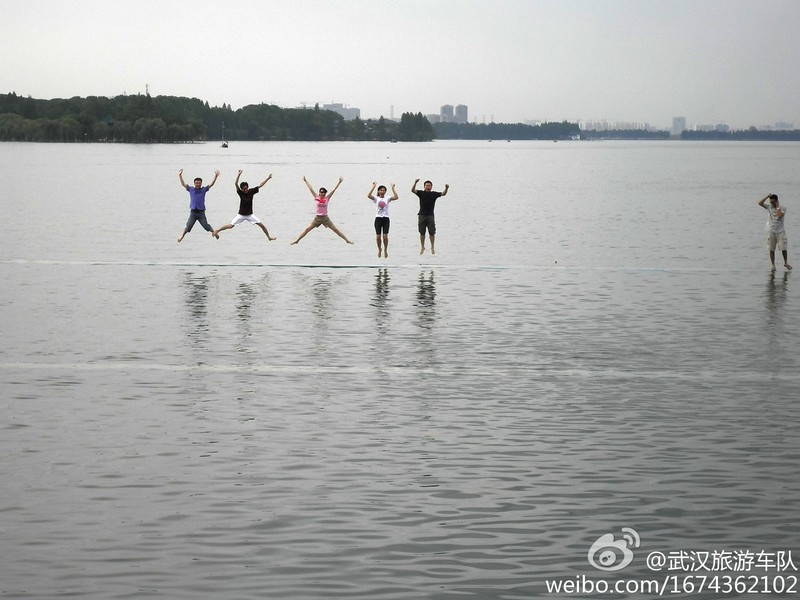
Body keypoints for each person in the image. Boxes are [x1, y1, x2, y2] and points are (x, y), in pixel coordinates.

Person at [213, 170, 276, 241]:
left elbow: (260, 185)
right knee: (231, 226)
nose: (245, 190)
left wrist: (268, 178)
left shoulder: (251, 191)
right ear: (242, 189)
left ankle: (269, 237)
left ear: (248, 187)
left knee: (262, 226)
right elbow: (236, 183)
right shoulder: (240, 193)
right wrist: (239, 174)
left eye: (246, 188)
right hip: (241, 214)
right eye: (243, 189)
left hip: (250, 215)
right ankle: (217, 231)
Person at [291, 176, 354, 245]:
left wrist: (339, 182)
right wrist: (305, 181)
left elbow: (334, 190)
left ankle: (347, 240)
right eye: (321, 192)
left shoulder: (327, 198)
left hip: (325, 218)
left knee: (336, 230)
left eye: (324, 193)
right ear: (319, 193)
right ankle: (297, 240)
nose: (323, 194)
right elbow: (310, 188)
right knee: (307, 229)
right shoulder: (316, 197)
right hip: (317, 218)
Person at [177, 169, 220, 242]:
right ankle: (182, 236)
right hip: (193, 212)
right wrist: (180, 175)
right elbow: (183, 184)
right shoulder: (191, 189)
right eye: (196, 183)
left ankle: (214, 232)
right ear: (194, 183)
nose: (198, 184)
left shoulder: (203, 190)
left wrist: (215, 176)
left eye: (199, 183)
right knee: (188, 226)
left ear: (201, 183)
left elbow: (211, 184)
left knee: (206, 226)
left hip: (201, 213)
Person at [411, 178, 449, 255]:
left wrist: (446, 188)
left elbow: (443, 194)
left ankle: (432, 247)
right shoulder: (421, 193)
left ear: (431, 187)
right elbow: (412, 190)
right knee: (422, 233)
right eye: (426, 185)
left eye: (429, 185)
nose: (428, 187)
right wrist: (415, 182)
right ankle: (422, 247)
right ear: (424, 186)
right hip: (422, 215)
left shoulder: (434, 194)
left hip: (430, 216)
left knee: (432, 233)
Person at [758, 193, 792, 271]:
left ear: (777, 201)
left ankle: (785, 262)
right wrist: (767, 197)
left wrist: (777, 207)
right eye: (771, 202)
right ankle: (773, 265)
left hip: (781, 231)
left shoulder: (783, 208)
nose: (772, 203)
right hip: (772, 231)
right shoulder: (769, 207)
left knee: (783, 248)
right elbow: (760, 203)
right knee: (771, 249)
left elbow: (779, 215)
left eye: (773, 202)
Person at [367, 182, 398, 258]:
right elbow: (368, 195)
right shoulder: (376, 198)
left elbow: (396, 197)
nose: (382, 191)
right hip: (378, 219)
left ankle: (385, 250)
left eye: (383, 190)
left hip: (386, 219)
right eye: (380, 190)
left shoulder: (387, 198)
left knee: (385, 237)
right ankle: (379, 249)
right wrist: (373, 186)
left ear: (385, 191)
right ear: (378, 191)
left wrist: (393, 188)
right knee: (378, 237)